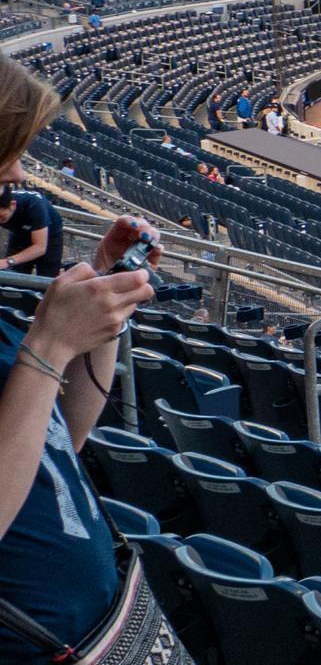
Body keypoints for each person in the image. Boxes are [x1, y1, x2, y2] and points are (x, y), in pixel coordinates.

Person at [0, 55, 180, 663]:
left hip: (109, 626)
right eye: (6, 153)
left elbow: (58, 439)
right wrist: (49, 346)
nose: (19, 171)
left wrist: (105, 301)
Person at [0, 189, 62, 278]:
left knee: (47, 277)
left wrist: (8, 261)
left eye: (1, 217)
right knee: (13, 274)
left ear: (13, 205)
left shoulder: (34, 206)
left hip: (49, 236)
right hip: (19, 233)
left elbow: (40, 247)